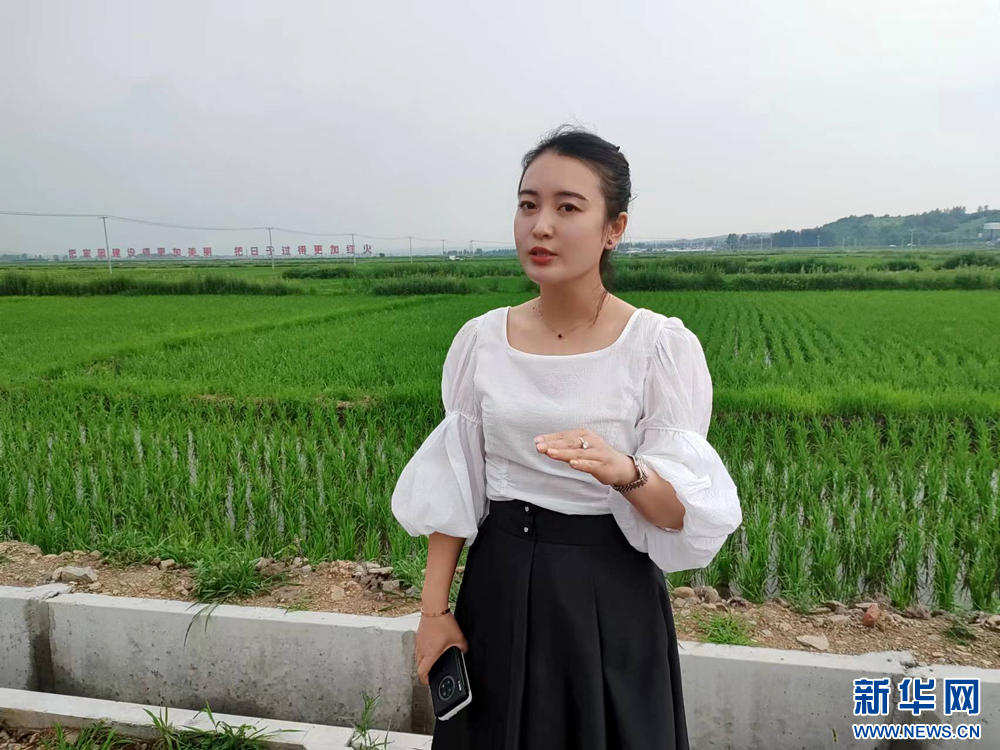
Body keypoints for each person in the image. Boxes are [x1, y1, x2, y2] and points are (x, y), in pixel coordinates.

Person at [390, 124, 743, 749]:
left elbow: (678, 514)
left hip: (609, 591)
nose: (541, 226)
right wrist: (434, 612)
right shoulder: (481, 341)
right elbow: (458, 481)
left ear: (614, 228)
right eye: (528, 205)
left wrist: (625, 470)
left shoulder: (656, 346)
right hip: (500, 582)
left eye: (568, 207)